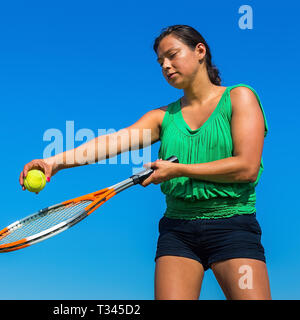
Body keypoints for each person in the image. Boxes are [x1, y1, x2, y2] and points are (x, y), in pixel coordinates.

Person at [19, 25, 271, 300]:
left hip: (233, 225)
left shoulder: (239, 97)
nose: (166, 65)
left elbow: (245, 168)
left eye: (172, 55)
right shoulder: (163, 117)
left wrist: (178, 170)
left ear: (200, 51)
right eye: (161, 61)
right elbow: (111, 142)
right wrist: (53, 162)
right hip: (178, 231)